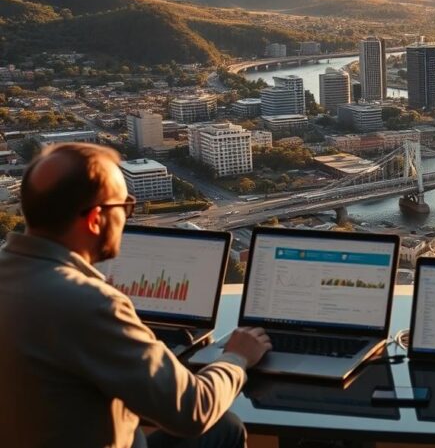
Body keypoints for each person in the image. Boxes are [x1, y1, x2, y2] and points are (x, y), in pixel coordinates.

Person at [0, 143, 272, 448]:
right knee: (224, 428)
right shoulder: (90, 305)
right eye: (124, 207)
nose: (126, 219)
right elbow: (195, 411)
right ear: (94, 219)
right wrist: (237, 357)